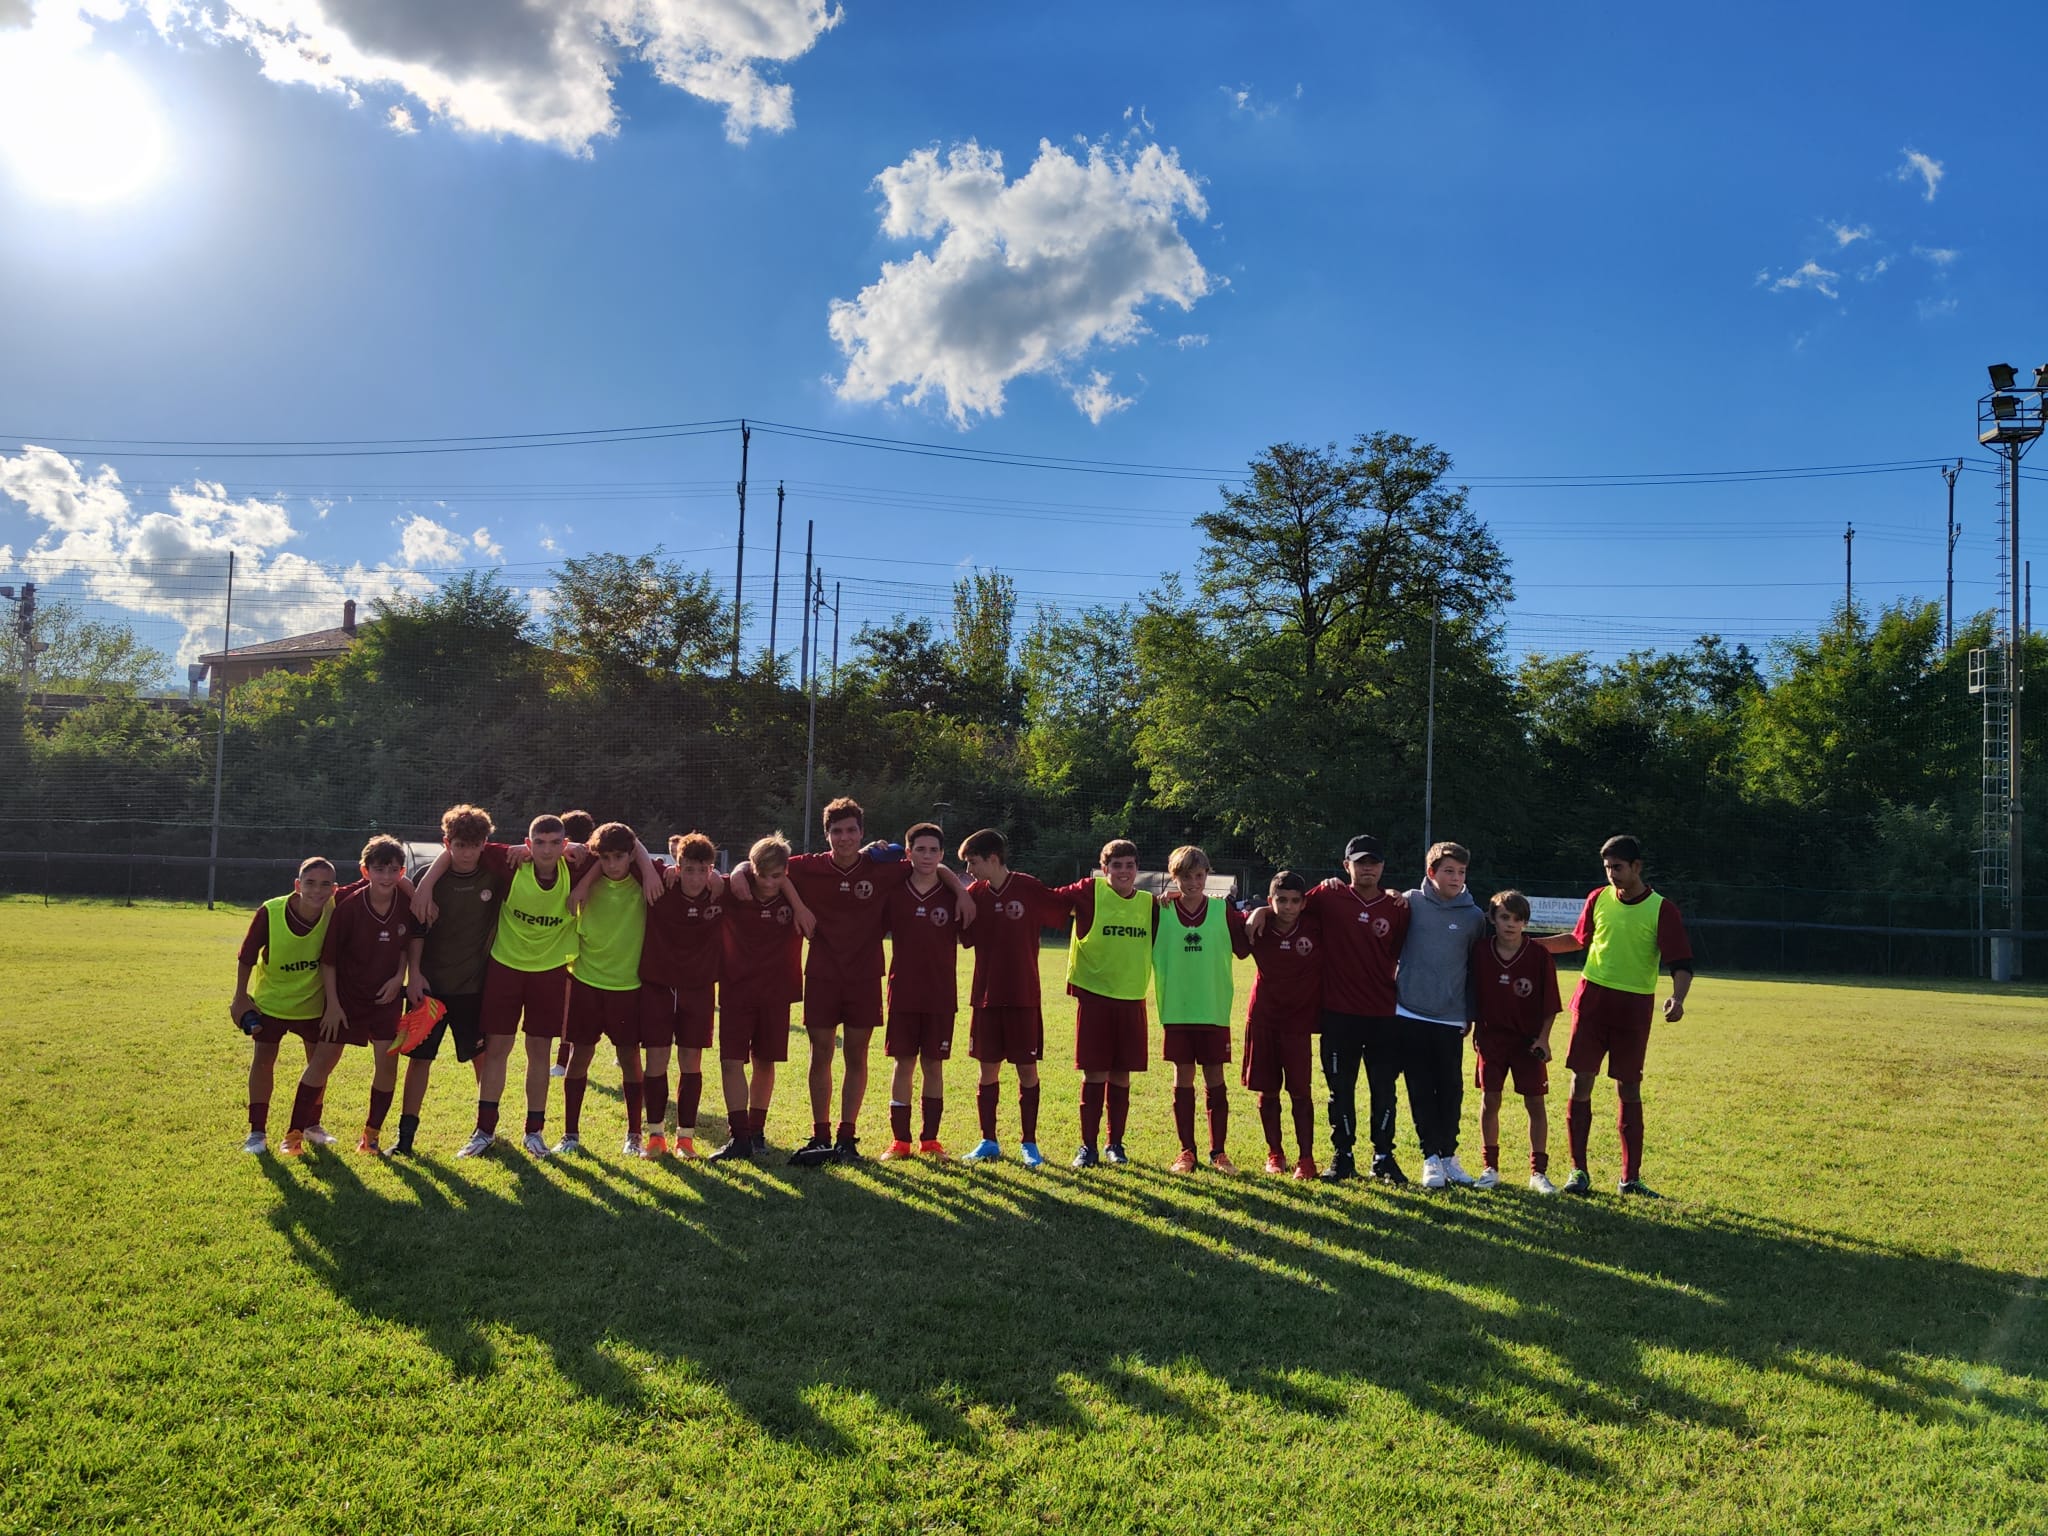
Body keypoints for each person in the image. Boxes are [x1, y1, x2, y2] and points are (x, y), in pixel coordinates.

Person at [729, 796, 971, 1167]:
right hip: (823, 975)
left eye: (851, 830)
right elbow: (761, 863)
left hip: (864, 976)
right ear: (826, 835)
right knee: (820, 1053)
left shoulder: (882, 866)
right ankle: (820, 1133)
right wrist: (791, 900)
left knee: (856, 1055)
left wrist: (960, 892)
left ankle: (846, 1136)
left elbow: (931, 865)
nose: (844, 838)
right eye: (837, 831)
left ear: (861, 833)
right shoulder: (808, 867)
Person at [415, 815, 647, 1157]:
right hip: (505, 969)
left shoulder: (578, 867)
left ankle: (534, 1132)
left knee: (539, 1053)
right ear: (528, 843)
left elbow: (626, 842)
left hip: (550, 972)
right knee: (497, 1051)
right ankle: (484, 1131)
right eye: (539, 843)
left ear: (565, 845)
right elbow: (456, 847)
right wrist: (423, 886)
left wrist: (587, 880)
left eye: (555, 843)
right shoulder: (510, 864)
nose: (547, 850)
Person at [1535, 834, 1694, 1197]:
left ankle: (1630, 1179)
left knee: (1630, 1088)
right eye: (1607, 868)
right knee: (1581, 1082)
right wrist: (1530, 945)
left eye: (1618, 867)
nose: (1612, 874)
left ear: (1637, 867)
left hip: (1634, 1009)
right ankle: (1578, 1173)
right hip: (1591, 1004)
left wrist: (1678, 998)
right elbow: (1578, 940)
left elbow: (1681, 963)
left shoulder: (1662, 909)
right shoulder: (1598, 898)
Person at [1276, 835, 1410, 1183]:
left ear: (1383, 866)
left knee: (1384, 1089)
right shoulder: (1329, 896)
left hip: (1383, 1013)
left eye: (1375, 862)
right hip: (1338, 1013)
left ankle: (1383, 1156)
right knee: (1341, 1088)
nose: (1368, 868)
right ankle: (1343, 1154)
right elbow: (1286, 906)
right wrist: (1260, 909)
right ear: (1345, 864)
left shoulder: (1396, 907)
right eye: (1361, 861)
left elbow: (1400, 950)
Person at [398, 804, 503, 1158]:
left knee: (481, 1059)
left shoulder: (494, 875)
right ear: (447, 842)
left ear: (484, 844)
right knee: (419, 1060)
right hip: (428, 989)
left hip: (474, 988)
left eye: (474, 845)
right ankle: (406, 1137)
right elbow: (415, 932)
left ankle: (486, 1129)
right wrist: (415, 975)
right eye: (459, 845)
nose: (466, 853)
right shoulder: (428, 877)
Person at [955, 828, 1062, 1166]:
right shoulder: (973, 895)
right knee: (988, 1073)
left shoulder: (1029, 888)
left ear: (993, 859)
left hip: (1023, 996)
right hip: (985, 998)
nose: (969, 870)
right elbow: (964, 937)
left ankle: (1029, 1143)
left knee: (1026, 1071)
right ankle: (989, 1140)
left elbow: (1065, 908)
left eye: (973, 862)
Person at [303, 835, 416, 1158]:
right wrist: (334, 1006)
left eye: (392, 870)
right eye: (379, 869)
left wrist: (399, 977)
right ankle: (298, 1130)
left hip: (387, 1000)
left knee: (387, 1063)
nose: (386, 876)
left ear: (401, 872)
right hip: (346, 1000)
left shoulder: (406, 903)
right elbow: (329, 961)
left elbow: (407, 945)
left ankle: (371, 1136)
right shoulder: (346, 905)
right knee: (323, 1060)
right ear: (365, 872)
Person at [1050, 839, 1157, 1169]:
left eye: (1129, 865)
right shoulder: (1088, 892)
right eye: (1116, 865)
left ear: (1137, 869)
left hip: (1131, 997)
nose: (1123, 871)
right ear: (1104, 868)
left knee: (1122, 1075)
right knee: (1094, 1073)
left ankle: (1115, 1144)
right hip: (1094, 996)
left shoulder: (1149, 903)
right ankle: (1088, 1147)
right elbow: (1048, 901)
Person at [229, 856, 338, 1154]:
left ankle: (312, 1126)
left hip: (314, 1006)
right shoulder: (271, 910)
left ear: (334, 889)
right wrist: (240, 997)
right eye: (310, 883)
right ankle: (257, 1133)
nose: (317, 890)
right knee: (263, 1062)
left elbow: (379, 881)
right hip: (271, 1004)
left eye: (325, 884)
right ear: (297, 885)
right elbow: (247, 956)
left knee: (319, 1065)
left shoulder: (335, 909)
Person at [560, 822, 657, 1156]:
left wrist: (644, 863)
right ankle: (570, 1134)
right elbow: (567, 850)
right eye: (606, 858)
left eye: (620, 857)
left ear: (631, 856)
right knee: (579, 1056)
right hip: (586, 980)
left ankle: (633, 1135)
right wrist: (587, 877)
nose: (613, 864)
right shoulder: (586, 873)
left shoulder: (646, 878)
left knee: (628, 1057)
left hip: (627, 986)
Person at [1152, 846, 1251, 1173]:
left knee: (1215, 1078)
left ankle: (1218, 1152)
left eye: (1198, 875)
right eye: (1184, 876)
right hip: (1177, 1011)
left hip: (1213, 1009)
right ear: (1173, 877)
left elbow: (1244, 947)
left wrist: (1261, 912)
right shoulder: (1160, 911)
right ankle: (1186, 1152)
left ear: (1207, 875)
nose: (1193, 882)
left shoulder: (1223, 912)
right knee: (1183, 1077)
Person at [708, 834, 805, 1163]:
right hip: (736, 991)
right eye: (762, 875)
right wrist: (736, 872)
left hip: (777, 993)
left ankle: (757, 1130)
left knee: (765, 1062)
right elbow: (701, 875)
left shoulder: (795, 891)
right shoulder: (736, 889)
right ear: (752, 870)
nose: (768, 882)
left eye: (776, 876)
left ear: (786, 874)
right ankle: (739, 1137)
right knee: (731, 1062)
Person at [1395, 840, 1484, 1190]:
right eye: (1449, 871)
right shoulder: (1409, 903)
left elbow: (1476, 969)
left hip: (1450, 1016)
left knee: (1450, 1091)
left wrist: (1470, 1014)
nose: (1456, 878)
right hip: (1409, 1012)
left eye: (1461, 872)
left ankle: (1450, 1156)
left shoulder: (1474, 916)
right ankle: (1429, 1158)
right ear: (1431, 873)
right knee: (1419, 1088)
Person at [637, 832, 725, 1158]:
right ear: (678, 865)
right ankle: (656, 1135)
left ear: (711, 870)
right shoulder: (661, 884)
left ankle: (685, 1139)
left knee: (691, 1062)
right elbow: (630, 844)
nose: (695, 877)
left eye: (703, 870)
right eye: (688, 869)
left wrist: (726, 876)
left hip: (699, 989)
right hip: (658, 986)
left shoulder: (720, 892)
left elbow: (751, 871)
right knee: (656, 1060)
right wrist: (650, 871)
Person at [1469, 889, 1562, 1192]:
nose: (1511, 924)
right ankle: (1490, 1168)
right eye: (1505, 917)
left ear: (1525, 923)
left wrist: (1544, 1040)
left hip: (1528, 1042)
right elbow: (1469, 993)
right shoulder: (1480, 951)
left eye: (1518, 919)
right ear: (1492, 918)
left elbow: (1550, 1004)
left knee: (1535, 1103)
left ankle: (1538, 1172)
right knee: (1490, 1099)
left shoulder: (1538, 956)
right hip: (1491, 1039)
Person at [879, 822, 960, 1160]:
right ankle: (900, 1140)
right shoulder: (894, 891)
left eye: (933, 850)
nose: (927, 856)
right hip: (904, 992)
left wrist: (963, 891)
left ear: (942, 855)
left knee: (934, 1066)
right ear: (908, 852)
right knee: (903, 1064)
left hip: (941, 994)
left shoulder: (954, 895)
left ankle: (930, 1139)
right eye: (920, 849)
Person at [1243, 871, 1323, 1179]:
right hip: (1263, 1016)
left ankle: (1306, 1158)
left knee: (1301, 1091)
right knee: (1268, 1089)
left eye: (1294, 901)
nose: (1288, 907)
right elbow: (1229, 921)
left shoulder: (1316, 926)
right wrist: (1255, 914)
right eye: (1280, 901)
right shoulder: (1257, 928)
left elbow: (1327, 898)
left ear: (1303, 903)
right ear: (1270, 901)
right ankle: (1275, 1153)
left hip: (1299, 1023)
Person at [552, 809, 599, 1077]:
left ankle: (561, 1062)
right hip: (587, 939)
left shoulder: (593, 860)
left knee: (572, 1005)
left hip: (571, 939)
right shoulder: (589, 857)